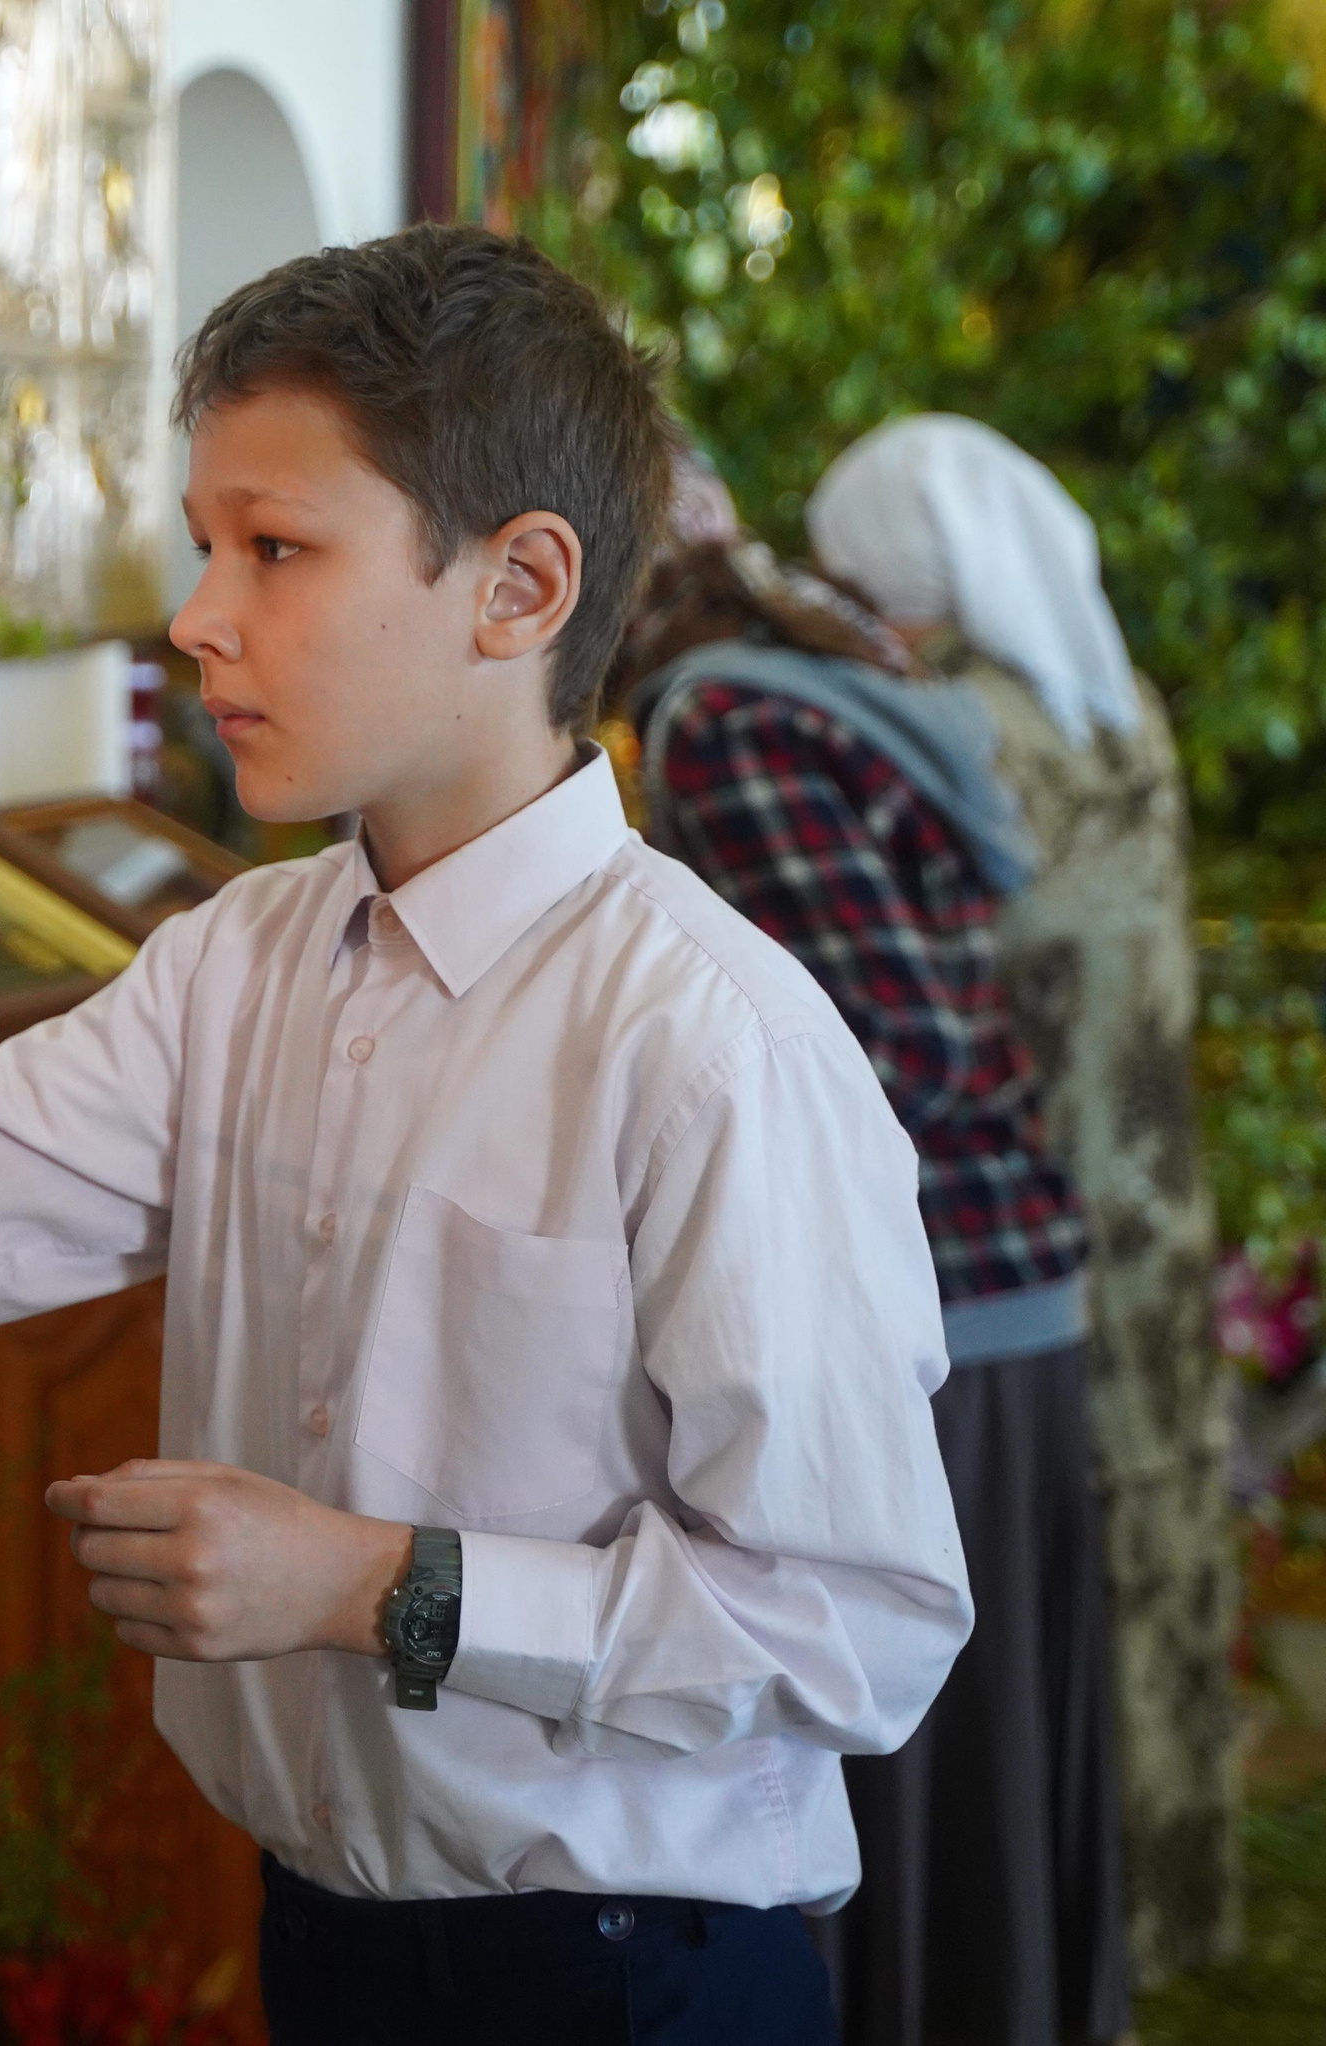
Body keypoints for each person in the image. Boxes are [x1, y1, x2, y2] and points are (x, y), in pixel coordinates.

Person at [0, 223, 972, 2044]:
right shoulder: (234, 961)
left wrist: (369, 1584)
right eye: (206, 544)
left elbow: (854, 1628)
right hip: (326, 1943)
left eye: (275, 547)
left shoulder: (706, 1039)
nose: (199, 615)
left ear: (518, 587)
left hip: (622, 1975)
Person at [615, 498, 1129, 2046]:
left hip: (933, 1312)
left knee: (917, 1765)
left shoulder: (721, 723)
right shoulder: (807, 690)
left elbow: (896, 1034)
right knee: (986, 1777)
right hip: (999, 1281)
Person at [810, 415, 1233, 1988]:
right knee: (1139, 1537)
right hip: (1148, 1198)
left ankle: (1033, 1935)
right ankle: (1130, 1915)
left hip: (1012, 1221)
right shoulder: (1117, 709)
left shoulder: (952, 734)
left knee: (1037, 1581)